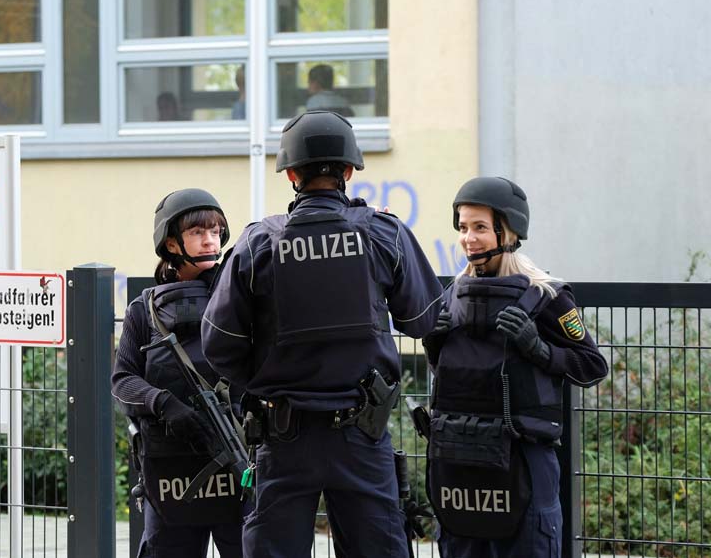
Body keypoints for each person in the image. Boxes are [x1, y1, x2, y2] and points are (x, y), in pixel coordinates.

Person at [202, 110, 443, 557]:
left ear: (291, 173)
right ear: (350, 171)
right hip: (362, 436)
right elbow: (424, 319)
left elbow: (218, 343)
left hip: (282, 437)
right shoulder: (383, 232)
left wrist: (265, 376)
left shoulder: (259, 244)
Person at [422, 177, 608, 557]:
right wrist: (433, 344)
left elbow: (592, 366)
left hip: (522, 458)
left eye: (479, 228)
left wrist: (539, 350)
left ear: (507, 231)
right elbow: (451, 375)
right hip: (459, 458)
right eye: (462, 227)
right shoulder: (452, 295)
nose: (468, 238)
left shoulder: (546, 295)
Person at [112, 189, 244, 558]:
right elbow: (122, 381)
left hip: (236, 461)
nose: (209, 240)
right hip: (171, 468)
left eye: (216, 232)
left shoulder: (237, 298)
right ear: (171, 243)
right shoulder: (145, 309)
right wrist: (164, 404)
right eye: (198, 232)